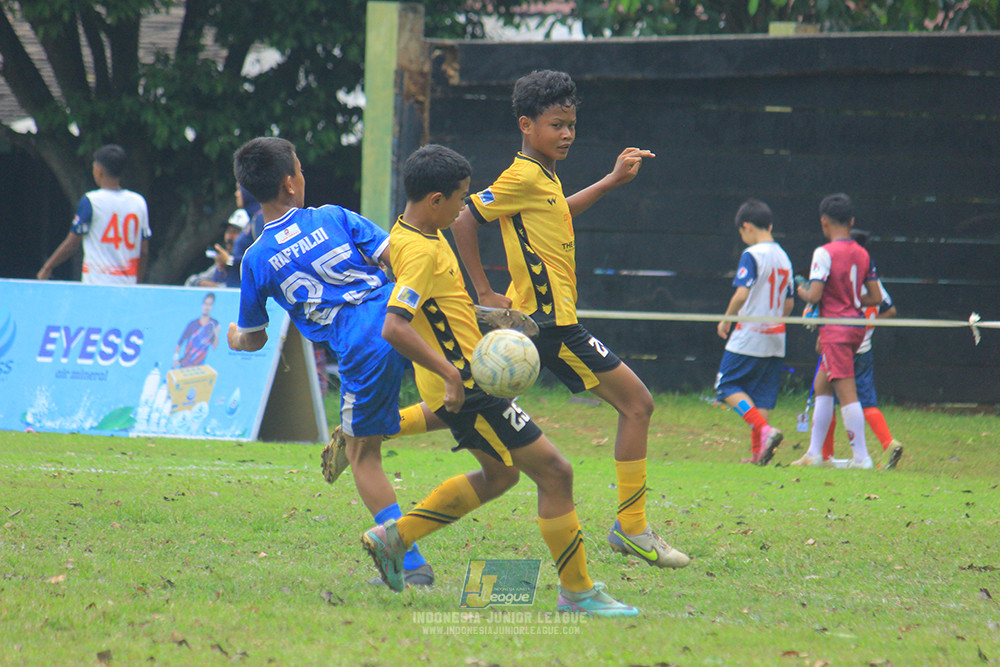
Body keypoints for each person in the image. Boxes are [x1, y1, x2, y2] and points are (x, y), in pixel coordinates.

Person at [362, 143, 639, 616]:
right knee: (556, 473)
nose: (462, 209)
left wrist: (479, 315)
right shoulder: (421, 250)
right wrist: (451, 371)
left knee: (502, 474)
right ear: (435, 200)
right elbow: (395, 324)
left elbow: (432, 306)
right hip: (470, 387)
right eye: (459, 198)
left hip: (470, 379)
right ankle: (577, 592)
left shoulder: (412, 235)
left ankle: (396, 537)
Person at [447, 69, 689, 569]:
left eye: (572, 125)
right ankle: (632, 527)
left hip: (549, 322)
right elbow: (464, 218)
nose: (567, 134)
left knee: (468, 400)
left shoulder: (543, 176)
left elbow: (557, 214)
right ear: (526, 124)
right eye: (557, 124)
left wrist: (610, 181)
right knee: (638, 404)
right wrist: (485, 290)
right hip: (549, 325)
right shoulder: (520, 176)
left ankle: (375, 433)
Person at [225, 137, 433, 586]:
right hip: (401, 314)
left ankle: (410, 563)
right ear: (291, 183)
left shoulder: (256, 258)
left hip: (361, 347)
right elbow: (399, 259)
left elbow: (255, 337)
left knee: (363, 457)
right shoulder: (334, 216)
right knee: (457, 397)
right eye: (300, 168)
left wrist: (234, 338)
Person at [792, 194, 883, 469]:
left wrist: (801, 289)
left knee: (846, 390)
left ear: (824, 222)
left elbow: (815, 293)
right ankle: (814, 453)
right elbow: (876, 296)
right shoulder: (862, 253)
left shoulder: (824, 253)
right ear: (851, 221)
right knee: (822, 385)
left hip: (836, 329)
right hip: (854, 327)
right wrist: (852, 300)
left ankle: (862, 457)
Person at [714, 199, 793, 465]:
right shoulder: (784, 256)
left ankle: (765, 431)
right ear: (769, 224)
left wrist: (727, 318)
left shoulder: (753, 254)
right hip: (776, 337)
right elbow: (789, 303)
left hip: (750, 334)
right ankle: (759, 454)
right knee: (761, 395)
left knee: (725, 386)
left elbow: (742, 293)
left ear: (746, 227)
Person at [819, 229, 904, 469]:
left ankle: (825, 454)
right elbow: (890, 309)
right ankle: (889, 442)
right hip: (863, 347)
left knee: (827, 397)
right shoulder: (872, 280)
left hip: (839, 344)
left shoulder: (841, 279)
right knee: (866, 402)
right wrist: (868, 327)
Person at [37, 144, 150, 285]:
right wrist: (136, 283)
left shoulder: (91, 201)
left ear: (99, 171)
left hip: (96, 284)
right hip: (126, 285)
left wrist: (48, 267)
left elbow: (72, 244)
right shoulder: (138, 202)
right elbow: (143, 250)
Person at [184, 209, 248, 287]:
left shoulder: (249, 263)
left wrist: (229, 260)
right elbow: (192, 281)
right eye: (228, 231)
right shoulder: (221, 263)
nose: (229, 237)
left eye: (235, 232)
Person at [174, 292, 221, 368]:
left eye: (209, 304)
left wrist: (217, 333)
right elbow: (179, 343)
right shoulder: (192, 324)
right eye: (205, 304)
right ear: (202, 305)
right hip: (185, 364)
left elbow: (214, 347)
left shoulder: (214, 323)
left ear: (212, 306)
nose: (206, 307)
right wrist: (175, 359)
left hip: (199, 367)